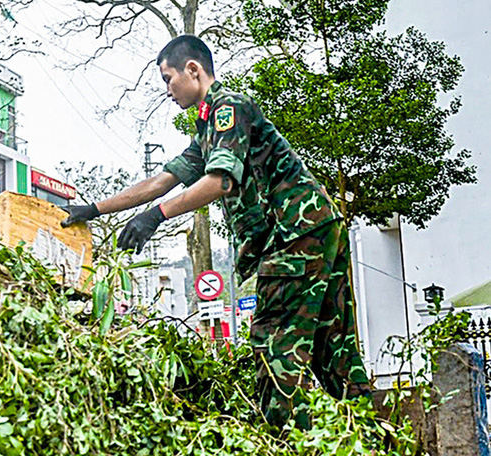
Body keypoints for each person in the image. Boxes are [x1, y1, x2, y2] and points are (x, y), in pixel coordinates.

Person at [61, 35, 371, 428]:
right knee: (333, 351)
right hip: (314, 228)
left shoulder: (229, 108)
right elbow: (163, 181)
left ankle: (287, 442)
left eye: (168, 78)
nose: (167, 90)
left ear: (193, 69)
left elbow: (219, 182)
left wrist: (156, 217)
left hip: (295, 232)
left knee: (275, 344)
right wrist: (94, 208)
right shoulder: (207, 130)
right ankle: (377, 440)